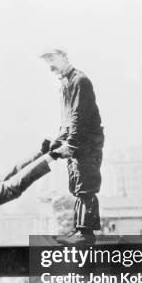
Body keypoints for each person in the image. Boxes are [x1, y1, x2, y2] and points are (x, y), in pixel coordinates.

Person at [40, 48, 105, 244]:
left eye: (52, 59)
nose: (50, 65)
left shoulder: (79, 81)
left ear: (64, 57)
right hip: (79, 143)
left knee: (85, 186)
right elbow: (67, 121)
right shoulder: (66, 84)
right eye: (47, 61)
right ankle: (79, 231)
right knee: (78, 186)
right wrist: (57, 142)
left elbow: (77, 117)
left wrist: (70, 144)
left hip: (87, 143)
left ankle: (85, 234)